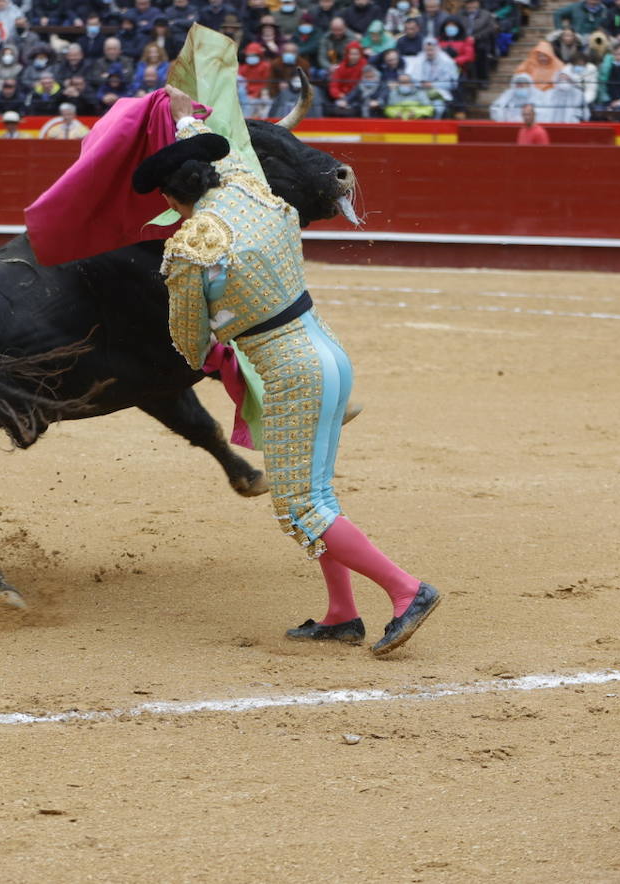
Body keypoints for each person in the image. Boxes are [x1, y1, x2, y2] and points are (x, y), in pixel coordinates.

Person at [138, 85, 442, 655]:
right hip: (329, 353)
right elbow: (203, 151)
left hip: (289, 373)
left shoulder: (188, 248)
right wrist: (183, 121)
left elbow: (188, 342)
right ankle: (340, 614)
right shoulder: (251, 191)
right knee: (318, 494)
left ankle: (407, 591)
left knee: (300, 506)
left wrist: (217, 339)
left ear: (171, 198)